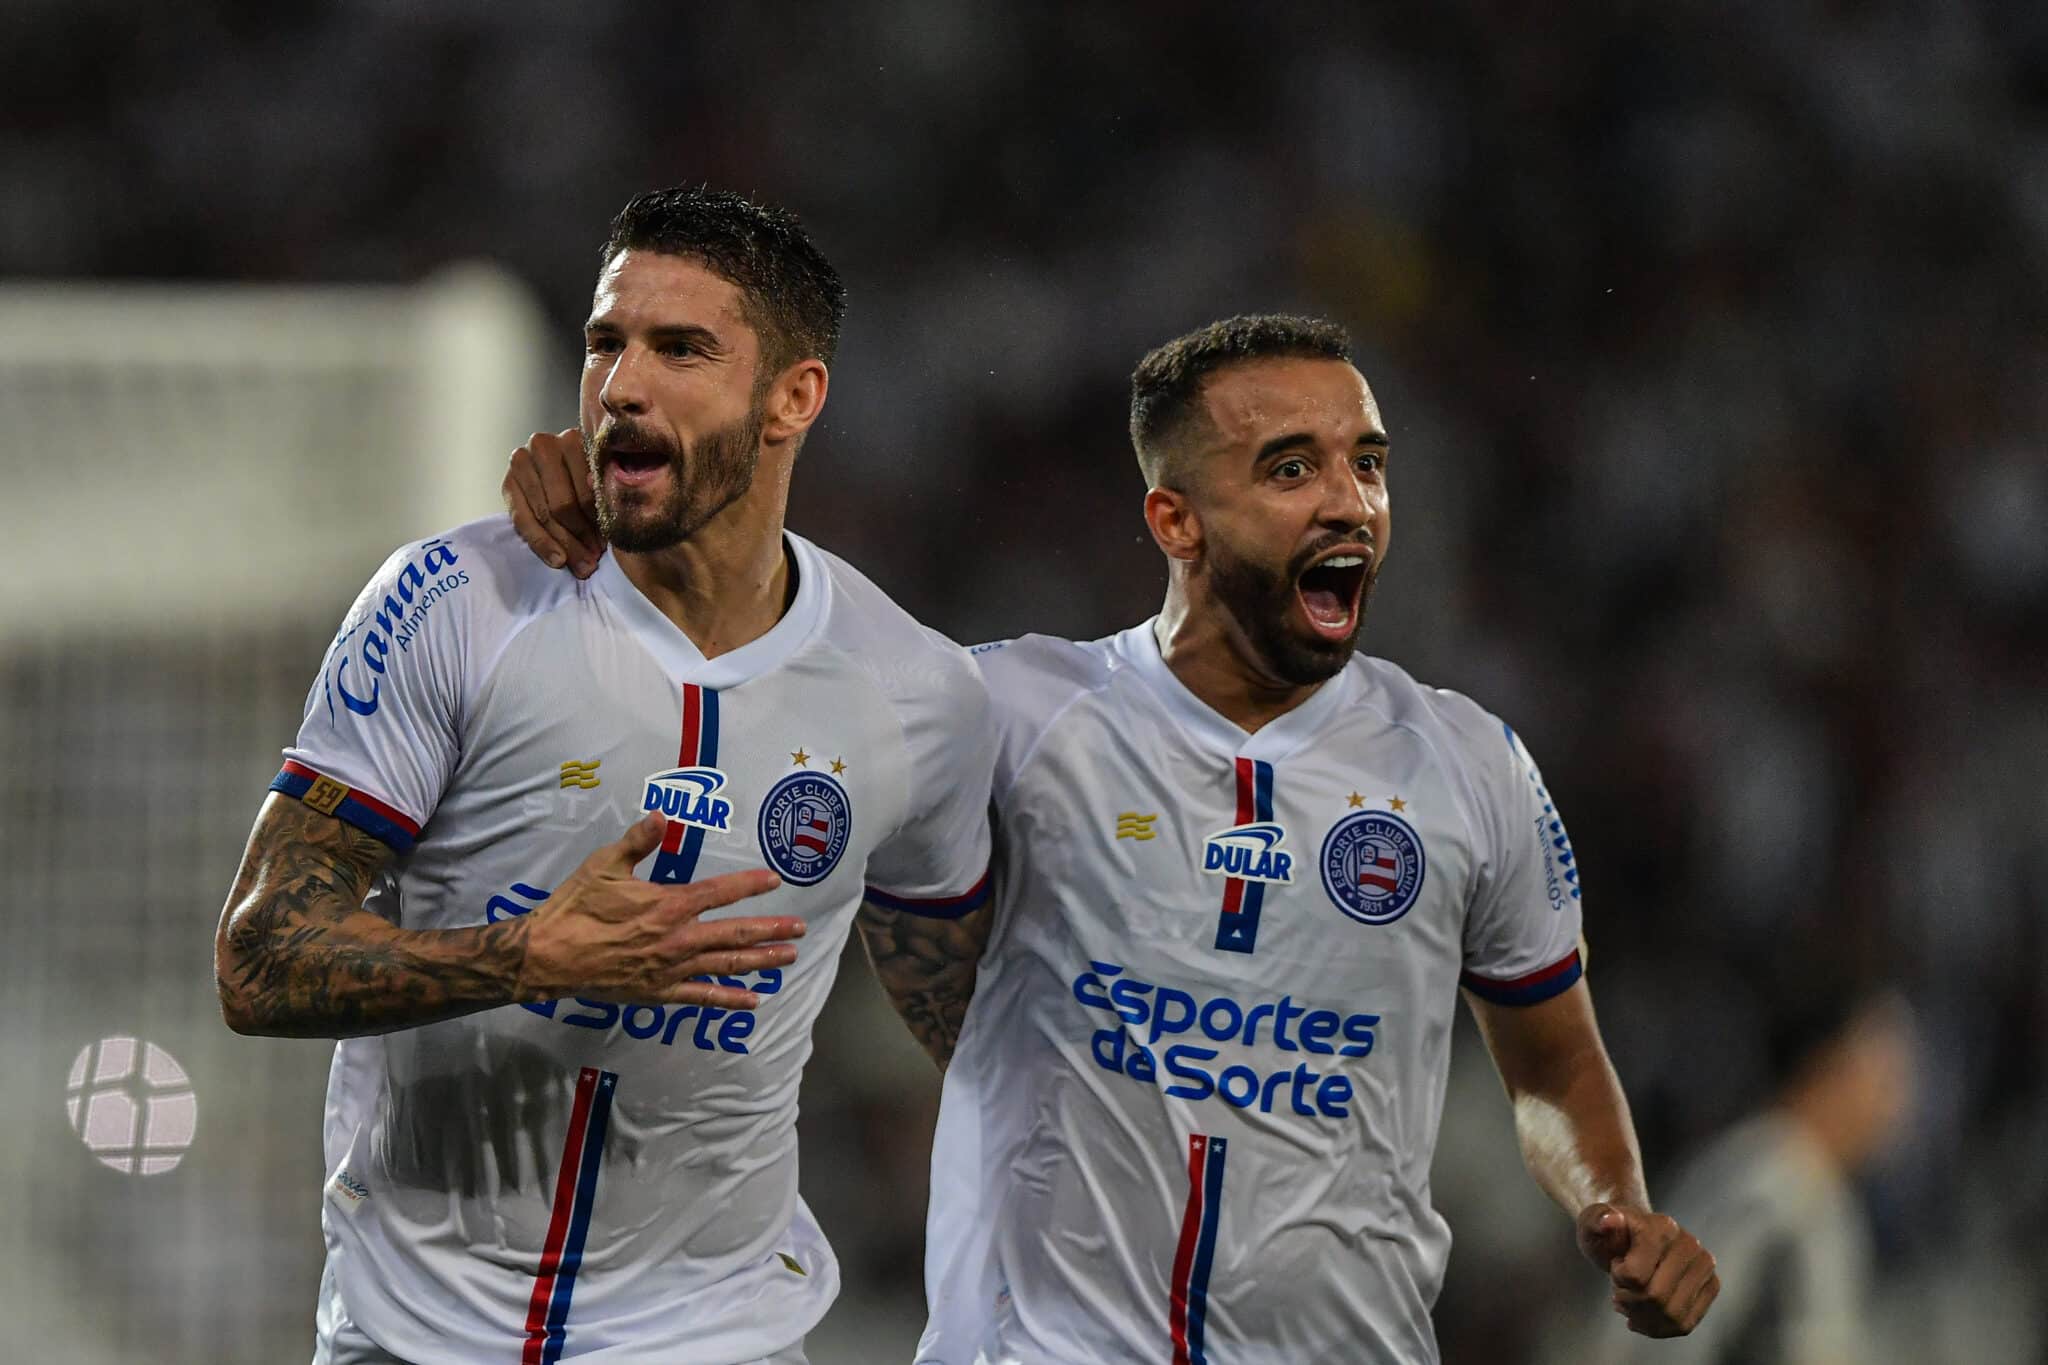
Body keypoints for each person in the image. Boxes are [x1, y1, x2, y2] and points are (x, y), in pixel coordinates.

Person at [505, 314, 1718, 1362]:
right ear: (1174, 519)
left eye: (1367, 464)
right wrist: (621, 514)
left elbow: (1553, 1065)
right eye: (1290, 469)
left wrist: (1615, 1208)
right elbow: (759, 667)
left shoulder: (1468, 765)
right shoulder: (1011, 715)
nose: (1349, 500)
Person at [216, 186, 997, 1365]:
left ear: (795, 396)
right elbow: (259, 957)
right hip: (414, 1334)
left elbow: (975, 1024)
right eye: (604, 342)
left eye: (681, 349)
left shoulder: (916, 695)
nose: (621, 385)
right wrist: (527, 957)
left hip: (717, 1339)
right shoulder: (454, 605)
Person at [1557, 981, 1913, 1365]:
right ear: (1828, 1067)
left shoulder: (1797, 1182)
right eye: (1882, 1080)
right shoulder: (1771, 1187)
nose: (1894, 1107)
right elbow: (1659, 1339)